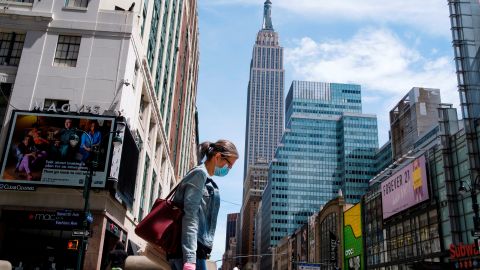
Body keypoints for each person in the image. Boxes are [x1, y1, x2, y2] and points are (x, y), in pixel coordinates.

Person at [169, 140, 239, 270]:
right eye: (229, 165)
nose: (228, 170)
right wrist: (190, 260)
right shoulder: (199, 174)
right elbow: (190, 216)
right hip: (188, 253)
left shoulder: (205, 178)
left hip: (196, 251)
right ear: (218, 156)